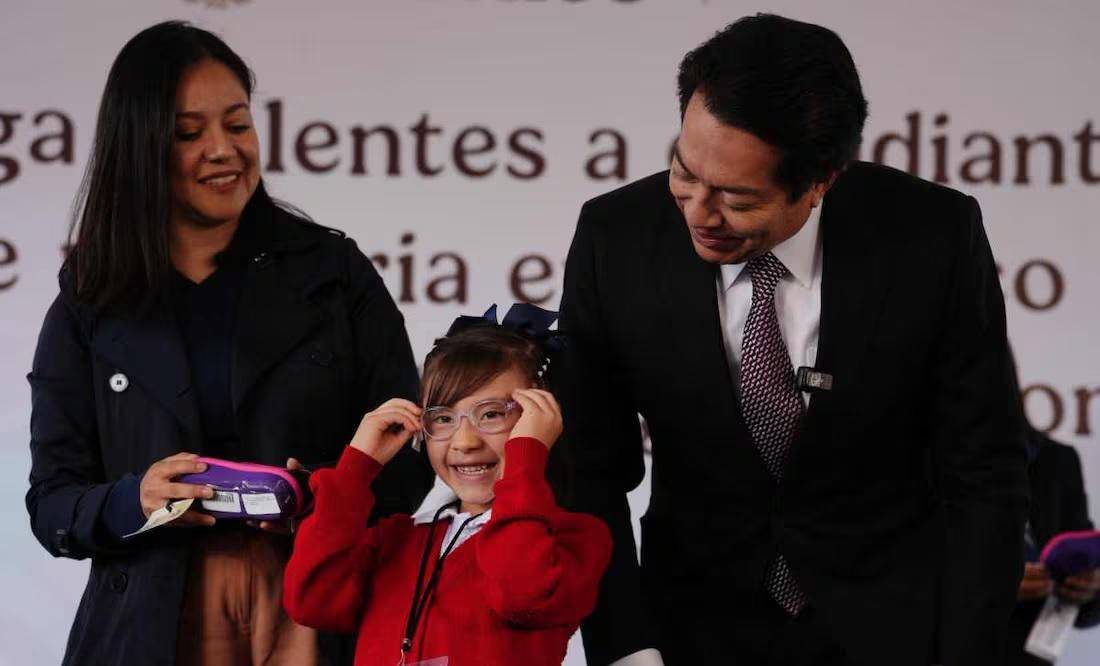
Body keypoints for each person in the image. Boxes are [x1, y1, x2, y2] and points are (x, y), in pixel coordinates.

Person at [555, 13, 1028, 666]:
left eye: (737, 199)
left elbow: (985, 472)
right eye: (684, 172)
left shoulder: (932, 235)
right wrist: (627, 650)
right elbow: (589, 473)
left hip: (891, 632)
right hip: (688, 632)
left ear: (820, 181)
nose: (697, 212)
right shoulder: (616, 239)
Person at [25, 21, 431, 666]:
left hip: (313, 606)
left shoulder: (333, 272)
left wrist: (327, 498)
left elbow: (410, 447)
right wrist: (135, 499)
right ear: (139, 149)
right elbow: (52, 503)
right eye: (188, 133)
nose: (223, 150)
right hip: (150, 621)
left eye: (238, 124)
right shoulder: (91, 297)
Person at [283, 306, 612, 665]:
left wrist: (525, 459)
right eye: (442, 418)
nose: (465, 441)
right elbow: (312, 602)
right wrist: (356, 467)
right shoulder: (396, 538)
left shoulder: (572, 538)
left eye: (491, 414)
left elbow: (521, 594)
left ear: (540, 420)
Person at [1008, 425, 1100, 665]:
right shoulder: (931, 457)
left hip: (1032, 654)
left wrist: (1087, 587)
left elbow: (1088, 606)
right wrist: (994, 586)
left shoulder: (1058, 459)